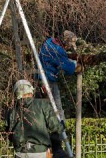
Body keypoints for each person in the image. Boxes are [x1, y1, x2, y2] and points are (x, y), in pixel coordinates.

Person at [35, 30, 82, 158]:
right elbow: (68, 67)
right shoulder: (58, 50)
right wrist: (77, 66)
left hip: (38, 80)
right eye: (69, 46)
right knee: (58, 113)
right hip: (49, 81)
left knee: (42, 114)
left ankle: (44, 143)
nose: (68, 48)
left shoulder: (48, 42)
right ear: (65, 43)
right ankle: (57, 147)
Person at [6, 80, 63, 158]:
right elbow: (55, 127)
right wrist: (61, 125)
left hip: (20, 153)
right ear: (30, 91)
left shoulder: (12, 111)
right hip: (40, 152)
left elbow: (9, 135)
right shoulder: (42, 104)